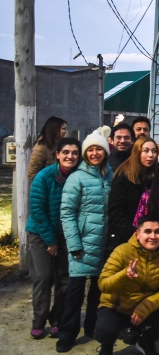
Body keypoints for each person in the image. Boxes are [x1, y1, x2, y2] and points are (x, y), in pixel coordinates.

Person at [57, 127, 114, 353]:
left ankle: (92, 327)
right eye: (90, 150)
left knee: (98, 290)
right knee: (75, 290)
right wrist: (74, 244)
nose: (94, 153)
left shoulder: (111, 176)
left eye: (99, 149)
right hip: (82, 242)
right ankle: (67, 333)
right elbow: (67, 212)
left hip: (104, 242)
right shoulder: (77, 177)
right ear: (84, 153)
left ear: (105, 153)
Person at [93, 215, 159, 355]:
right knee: (104, 332)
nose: (153, 236)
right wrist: (123, 276)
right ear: (137, 234)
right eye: (147, 231)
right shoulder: (121, 251)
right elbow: (103, 284)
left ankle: (146, 341)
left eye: (157, 232)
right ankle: (107, 346)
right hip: (118, 308)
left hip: (145, 309)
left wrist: (145, 307)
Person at [26, 137, 80, 339]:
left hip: (67, 234)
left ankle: (58, 319)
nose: (70, 156)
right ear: (57, 154)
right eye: (66, 152)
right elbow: (38, 211)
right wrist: (51, 242)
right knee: (43, 277)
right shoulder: (44, 176)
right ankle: (39, 320)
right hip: (41, 234)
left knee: (64, 278)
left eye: (75, 153)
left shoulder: (78, 176)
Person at [107, 137, 158, 251]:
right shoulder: (124, 175)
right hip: (126, 237)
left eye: (154, 151)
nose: (151, 155)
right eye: (146, 151)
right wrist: (134, 234)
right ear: (137, 152)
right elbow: (115, 211)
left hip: (149, 237)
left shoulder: (154, 175)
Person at [28, 116, 68, 182]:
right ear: (55, 129)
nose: (65, 132)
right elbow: (32, 172)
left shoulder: (57, 144)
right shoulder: (41, 147)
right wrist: (48, 184)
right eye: (63, 129)